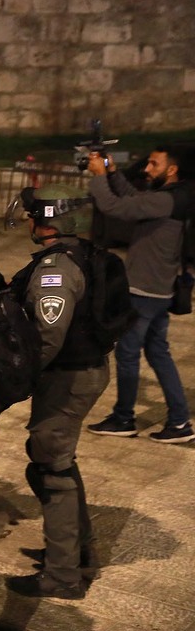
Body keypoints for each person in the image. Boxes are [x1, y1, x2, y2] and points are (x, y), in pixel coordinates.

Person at [6, 185, 108, 599]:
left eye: (34, 215)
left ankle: (63, 575)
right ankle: (76, 550)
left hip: (69, 377)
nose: (29, 221)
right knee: (55, 464)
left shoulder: (56, 270)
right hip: (81, 371)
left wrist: (14, 381)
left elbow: (48, 336)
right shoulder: (80, 253)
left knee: (52, 469)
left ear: (51, 219)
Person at [85, 147, 194, 442]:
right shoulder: (176, 195)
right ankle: (180, 421)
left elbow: (116, 208)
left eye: (154, 164)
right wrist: (111, 172)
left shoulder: (165, 199)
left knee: (128, 353)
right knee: (158, 352)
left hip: (145, 290)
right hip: (161, 288)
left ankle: (124, 419)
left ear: (172, 170)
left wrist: (97, 178)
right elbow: (135, 199)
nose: (147, 168)